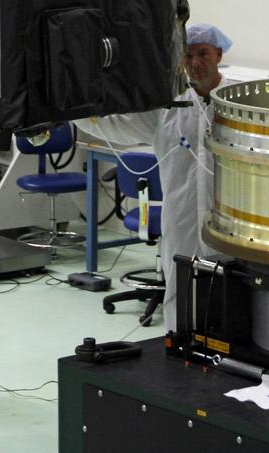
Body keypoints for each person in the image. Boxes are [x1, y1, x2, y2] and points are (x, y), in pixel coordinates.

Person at [74, 22, 234, 322]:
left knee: (230, 287)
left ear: (218, 54)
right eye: (188, 56)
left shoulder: (237, 104)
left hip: (229, 220)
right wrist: (74, 111)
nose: (196, 63)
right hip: (182, 215)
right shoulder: (168, 108)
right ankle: (178, 341)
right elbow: (118, 124)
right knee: (180, 282)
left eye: (203, 53)